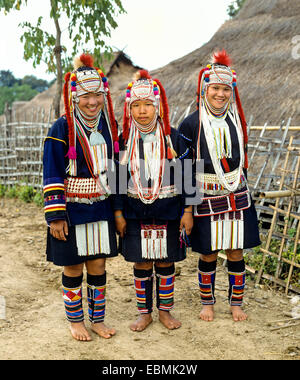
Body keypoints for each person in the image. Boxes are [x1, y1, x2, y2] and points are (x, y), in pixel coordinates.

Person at [178, 50, 260, 322]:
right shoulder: (190, 125)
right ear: (204, 88)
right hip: (205, 197)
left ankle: (236, 303)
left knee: (236, 251)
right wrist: (188, 210)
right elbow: (185, 170)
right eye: (215, 88)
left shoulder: (237, 122)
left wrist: (238, 185)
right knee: (209, 252)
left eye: (226, 89)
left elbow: (242, 161)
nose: (221, 94)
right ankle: (207, 303)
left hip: (236, 194)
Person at [43, 53, 120, 341]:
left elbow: (115, 172)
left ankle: (97, 319)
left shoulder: (109, 128)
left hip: (100, 207)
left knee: (98, 265)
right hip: (71, 210)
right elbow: (51, 172)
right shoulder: (60, 129)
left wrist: (118, 211)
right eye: (86, 96)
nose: (92, 102)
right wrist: (56, 216)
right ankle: (76, 321)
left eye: (97, 95)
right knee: (73, 265)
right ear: (74, 96)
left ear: (104, 95)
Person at [114, 70, 193, 332]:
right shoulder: (124, 140)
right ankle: (144, 313)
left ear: (157, 105)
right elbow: (116, 179)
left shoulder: (173, 136)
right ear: (129, 108)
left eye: (148, 104)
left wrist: (188, 210)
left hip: (169, 210)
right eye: (136, 105)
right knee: (142, 262)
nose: (142, 111)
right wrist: (118, 213)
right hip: (135, 211)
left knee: (166, 261)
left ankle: (165, 311)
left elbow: (188, 173)